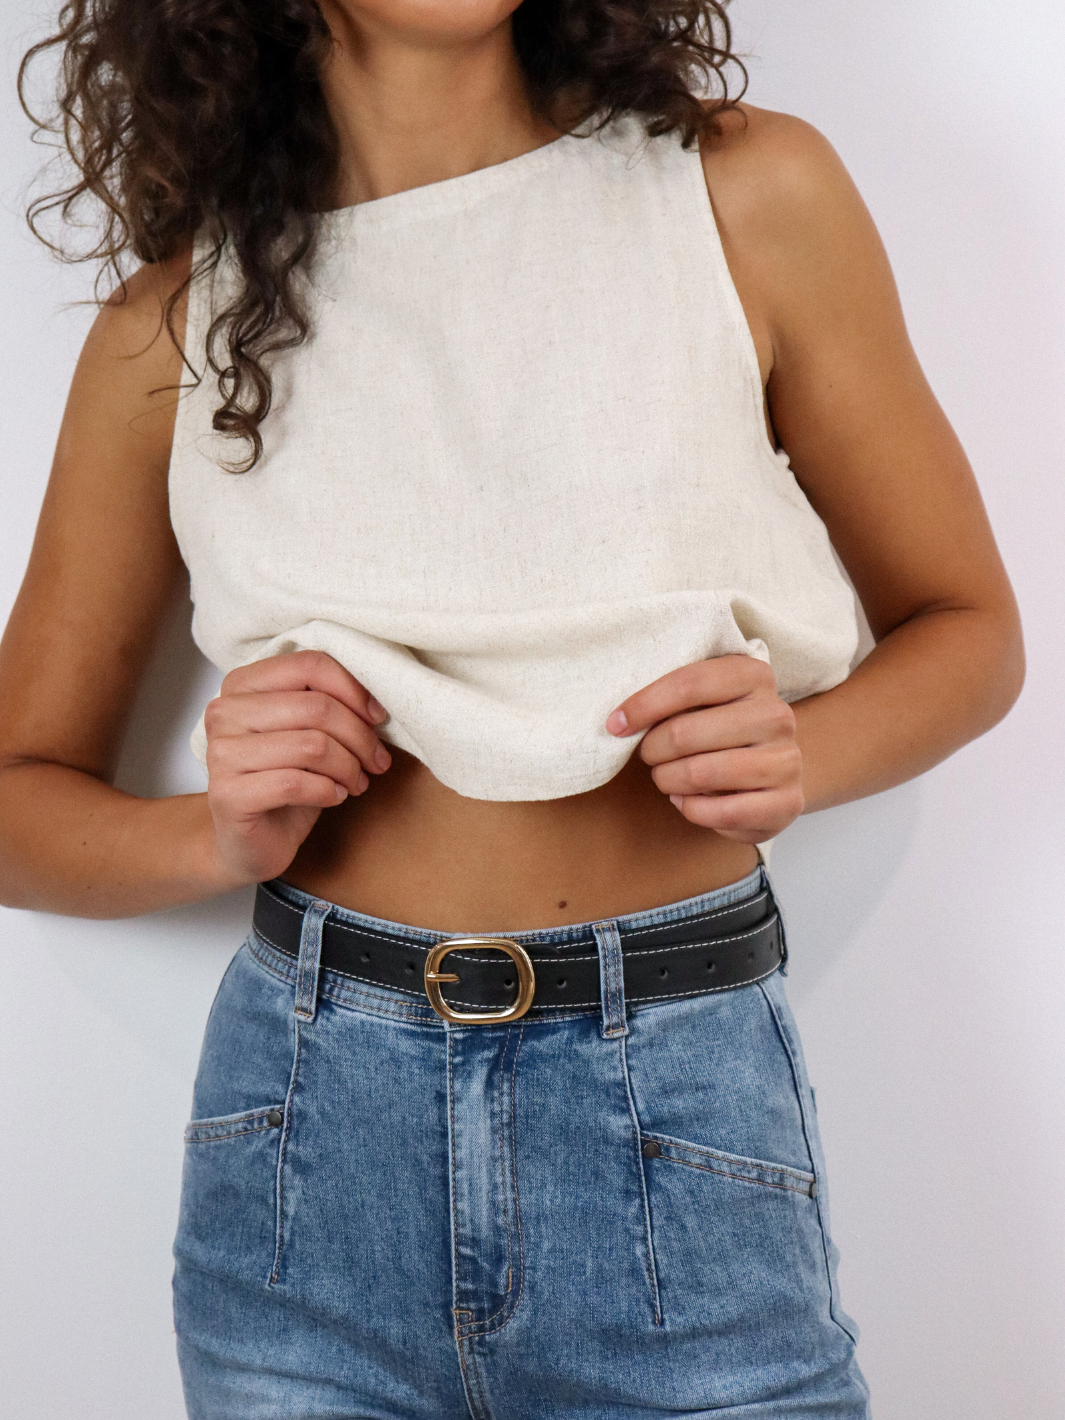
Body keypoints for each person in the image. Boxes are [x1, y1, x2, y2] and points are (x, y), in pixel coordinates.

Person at [0, 0, 1023, 1416]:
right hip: (307, 1146)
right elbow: (17, 801)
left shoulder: (743, 194)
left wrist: (804, 749)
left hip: (677, 1100)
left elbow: (971, 630)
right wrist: (213, 836)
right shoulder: (176, 322)